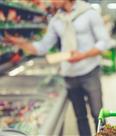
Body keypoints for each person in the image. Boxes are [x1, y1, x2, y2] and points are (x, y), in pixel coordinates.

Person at [4, 0, 109, 135]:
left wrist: (83, 55)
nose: (51, 1)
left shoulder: (88, 13)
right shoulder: (56, 20)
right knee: (80, 117)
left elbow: (104, 42)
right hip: (69, 74)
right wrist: (21, 43)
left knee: (98, 114)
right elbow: (43, 47)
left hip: (89, 71)